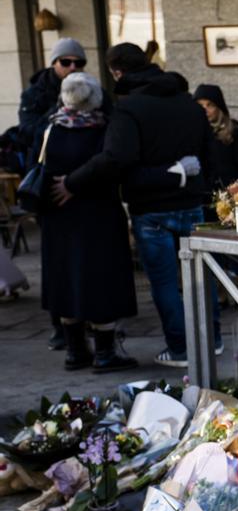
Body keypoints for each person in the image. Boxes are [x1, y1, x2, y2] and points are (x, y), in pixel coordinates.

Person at [51, 43, 220, 367]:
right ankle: (212, 341)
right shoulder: (189, 104)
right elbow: (209, 155)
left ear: (117, 71)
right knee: (202, 278)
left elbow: (118, 157)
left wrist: (72, 182)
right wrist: (191, 182)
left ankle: (181, 349)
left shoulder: (128, 109)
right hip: (190, 203)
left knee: (166, 282)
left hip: (151, 207)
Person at [39, 72, 138, 373]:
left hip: (59, 216)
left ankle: (75, 350)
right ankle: (105, 353)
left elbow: (40, 168)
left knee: (66, 281)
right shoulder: (105, 128)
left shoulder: (52, 128)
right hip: (99, 216)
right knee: (101, 281)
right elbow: (112, 168)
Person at [17, 37, 90, 352]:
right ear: (54, 63)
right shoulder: (36, 93)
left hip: (82, 190)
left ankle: (87, 323)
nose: (72, 68)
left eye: (79, 63)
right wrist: (61, 109)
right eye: (66, 62)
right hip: (50, 189)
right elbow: (27, 131)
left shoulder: (89, 88)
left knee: (85, 260)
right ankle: (60, 327)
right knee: (56, 262)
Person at [194, 84, 238, 189]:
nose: (205, 110)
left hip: (230, 192)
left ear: (218, 107)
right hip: (201, 194)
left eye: (210, 105)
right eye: (200, 105)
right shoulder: (192, 130)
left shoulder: (233, 129)